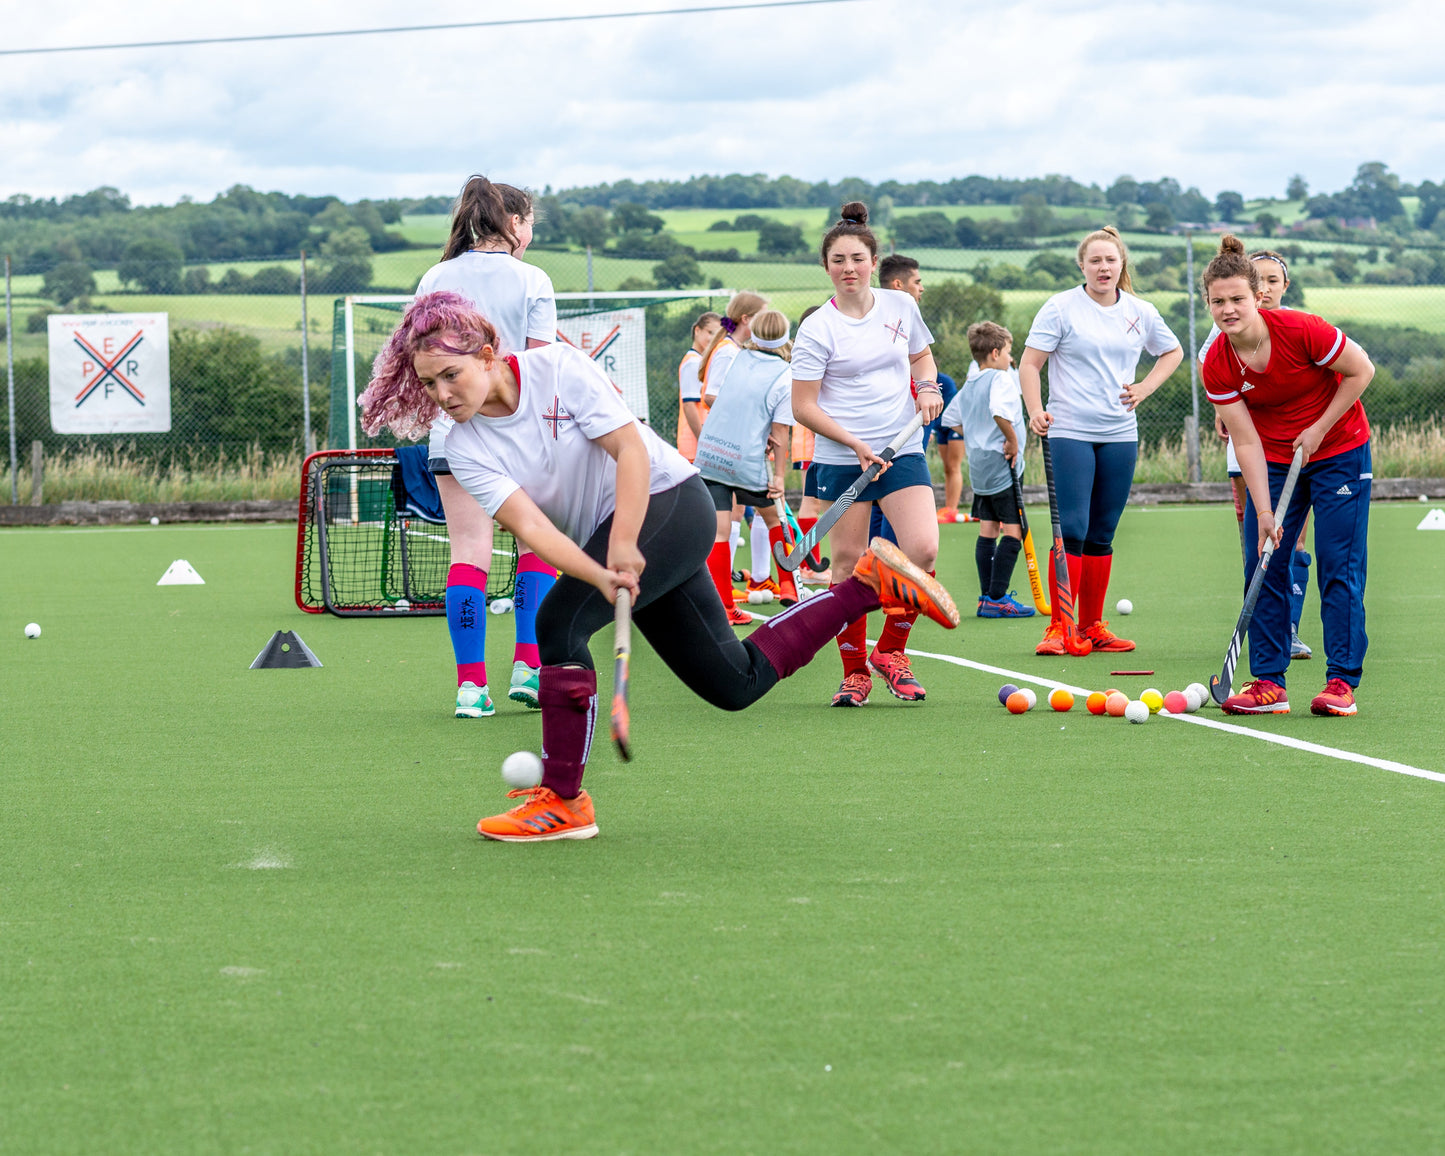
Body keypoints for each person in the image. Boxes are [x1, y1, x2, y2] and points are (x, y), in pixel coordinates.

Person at [363, 292, 959, 840]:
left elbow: (628, 448)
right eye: (428, 383)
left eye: (451, 375)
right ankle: (870, 585)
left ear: (488, 355)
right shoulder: (465, 444)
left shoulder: (559, 371)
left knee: (557, 626)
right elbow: (534, 529)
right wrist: (600, 572)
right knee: (735, 683)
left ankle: (564, 799)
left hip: (672, 502)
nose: (442, 394)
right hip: (611, 535)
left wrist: (623, 541)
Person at [377, 175, 560, 721]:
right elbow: (538, 366)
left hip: (453, 429)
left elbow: (422, 359)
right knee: (535, 549)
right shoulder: (533, 279)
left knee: (468, 553)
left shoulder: (436, 275)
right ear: (516, 223)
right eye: (529, 222)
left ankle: (469, 689)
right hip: (520, 432)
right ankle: (529, 668)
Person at [1201, 235, 1374, 717]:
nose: (1228, 309)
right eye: (1218, 302)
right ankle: (1269, 683)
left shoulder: (1302, 331)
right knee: (1267, 559)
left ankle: (1340, 682)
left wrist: (1319, 428)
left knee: (1339, 564)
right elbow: (1247, 440)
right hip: (1277, 459)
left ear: (1257, 297)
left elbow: (1361, 371)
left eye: (1237, 299)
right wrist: (1262, 511)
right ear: (1208, 304)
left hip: (1339, 449)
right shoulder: (1218, 364)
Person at [791, 203, 947, 706]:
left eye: (857, 258)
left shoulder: (901, 307)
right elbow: (803, 406)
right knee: (846, 565)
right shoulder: (818, 329)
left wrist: (925, 387)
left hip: (899, 448)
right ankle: (855, 672)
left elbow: (921, 355)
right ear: (826, 266)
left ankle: (891, 652)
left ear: (873, 261)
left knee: (922, 550)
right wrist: (854, 444)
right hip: (843, 458)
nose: (849, 268)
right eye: (838, 260)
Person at [1018, 226, 1183, 655]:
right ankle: (1059, 627)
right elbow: (1030, 364)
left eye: (1110, 260)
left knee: (1102, 532)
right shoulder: (1060, 308)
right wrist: (1036, 410)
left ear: (1121, 262)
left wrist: (1145, 388)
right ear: (1082, 265)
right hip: (1070, 429)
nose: (1103, 267)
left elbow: (1173, 352)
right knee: (1072, 527)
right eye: (1095, 261)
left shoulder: (1141, 311)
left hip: (1120, 433)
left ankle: (1091, 626)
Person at [1201, 249, 1314, 659]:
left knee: (1295, 540)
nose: (1265, 288)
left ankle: (1290, 628)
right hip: (1249, 448)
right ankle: (1266, 626)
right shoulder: (1223, 338)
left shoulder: (1296, 329)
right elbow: (1219, 385)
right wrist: (1222, 411)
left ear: (1283, 286)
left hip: (1297, 450)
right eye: (1260, 279)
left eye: (1271, 281)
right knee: (1256, 541)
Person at [694, 309, 800, 620]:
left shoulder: (735, 357)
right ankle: (788, 585)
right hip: (745, 460)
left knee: (720, 534)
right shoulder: (785, 374)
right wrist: (779, 475)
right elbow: (781, 434)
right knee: (772, 520)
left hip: (710, 453)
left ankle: (724, 608)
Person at [941, 321, 1033, 618]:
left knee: (988, 528)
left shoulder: (970, 383)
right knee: (1014, 531)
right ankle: (997, 597)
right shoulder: (1001, 378)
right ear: (995, 353)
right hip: (1002, 465)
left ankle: (986, 598)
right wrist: (1012, 440)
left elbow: (950, 420)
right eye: (1008, 352)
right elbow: (998, 411)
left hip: (981, 468)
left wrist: (977, 437)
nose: (1010, 358)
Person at [879, 254, 965, 523]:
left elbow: (921, 359)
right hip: (889, 419)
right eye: (917, 281)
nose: (922, 287)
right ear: (898, 285)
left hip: (913, 414)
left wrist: (927, 387)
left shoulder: (906, 316)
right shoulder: (882, 318)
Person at [699, 292, 771, 594]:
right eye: (762, 316)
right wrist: (749, 420)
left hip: (737, 447)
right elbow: (711, 395)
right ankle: (723, 591)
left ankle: (752, 580)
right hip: (727, 449)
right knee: (738, 518)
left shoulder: (736, 349)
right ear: (746, 319)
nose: (766, 322)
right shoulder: (728, 351)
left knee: (751, 514)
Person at [676, 311, 722, 463]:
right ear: (697, 330)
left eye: (717, 335)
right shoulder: (693, 363)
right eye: (710, 332)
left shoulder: (702, 362)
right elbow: (689, 405)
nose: (713, 338)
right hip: (695, 447)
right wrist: (703, 441)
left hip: (701, 447)